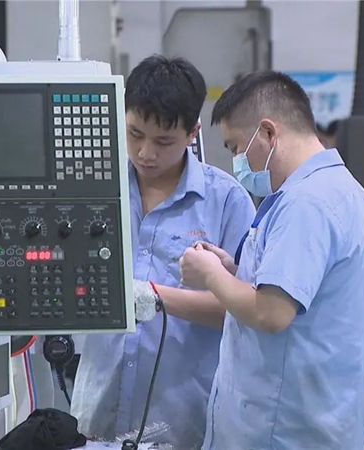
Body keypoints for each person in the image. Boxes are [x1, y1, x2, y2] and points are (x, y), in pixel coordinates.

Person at [179, 71, 364, 449]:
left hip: (283, 431)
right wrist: (235, 272)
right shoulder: (344, 193)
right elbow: (300, 292)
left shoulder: (306, 203)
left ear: (268, 133)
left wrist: (210, 276)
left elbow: (271, 313)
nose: (237, 161)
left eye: (236, 147)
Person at [70, 55, 255, 448]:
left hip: (183, 421)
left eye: (163, 141)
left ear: (192, 133)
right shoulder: (95, 191)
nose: (145, 153)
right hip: (97, 413)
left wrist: (155, 298)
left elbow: (244, 310)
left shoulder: (226, 202)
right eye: (135, 134)